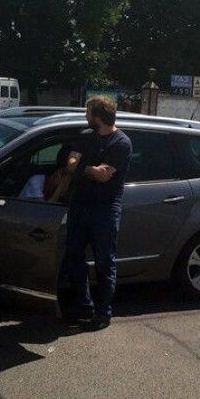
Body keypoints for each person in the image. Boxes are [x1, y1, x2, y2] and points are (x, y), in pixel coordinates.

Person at [59, 96, 132, 331]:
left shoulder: (121, 143)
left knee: (104, 263)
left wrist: (81, 168)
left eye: (88, 112)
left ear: (98, 116)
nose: (85, 116)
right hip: (80, 206)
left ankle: (103, 313)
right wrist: (89, 168)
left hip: (105, 210)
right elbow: (71, 161)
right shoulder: (85, 136)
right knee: (74, 256)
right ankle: (84, 306)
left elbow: (104, 175)